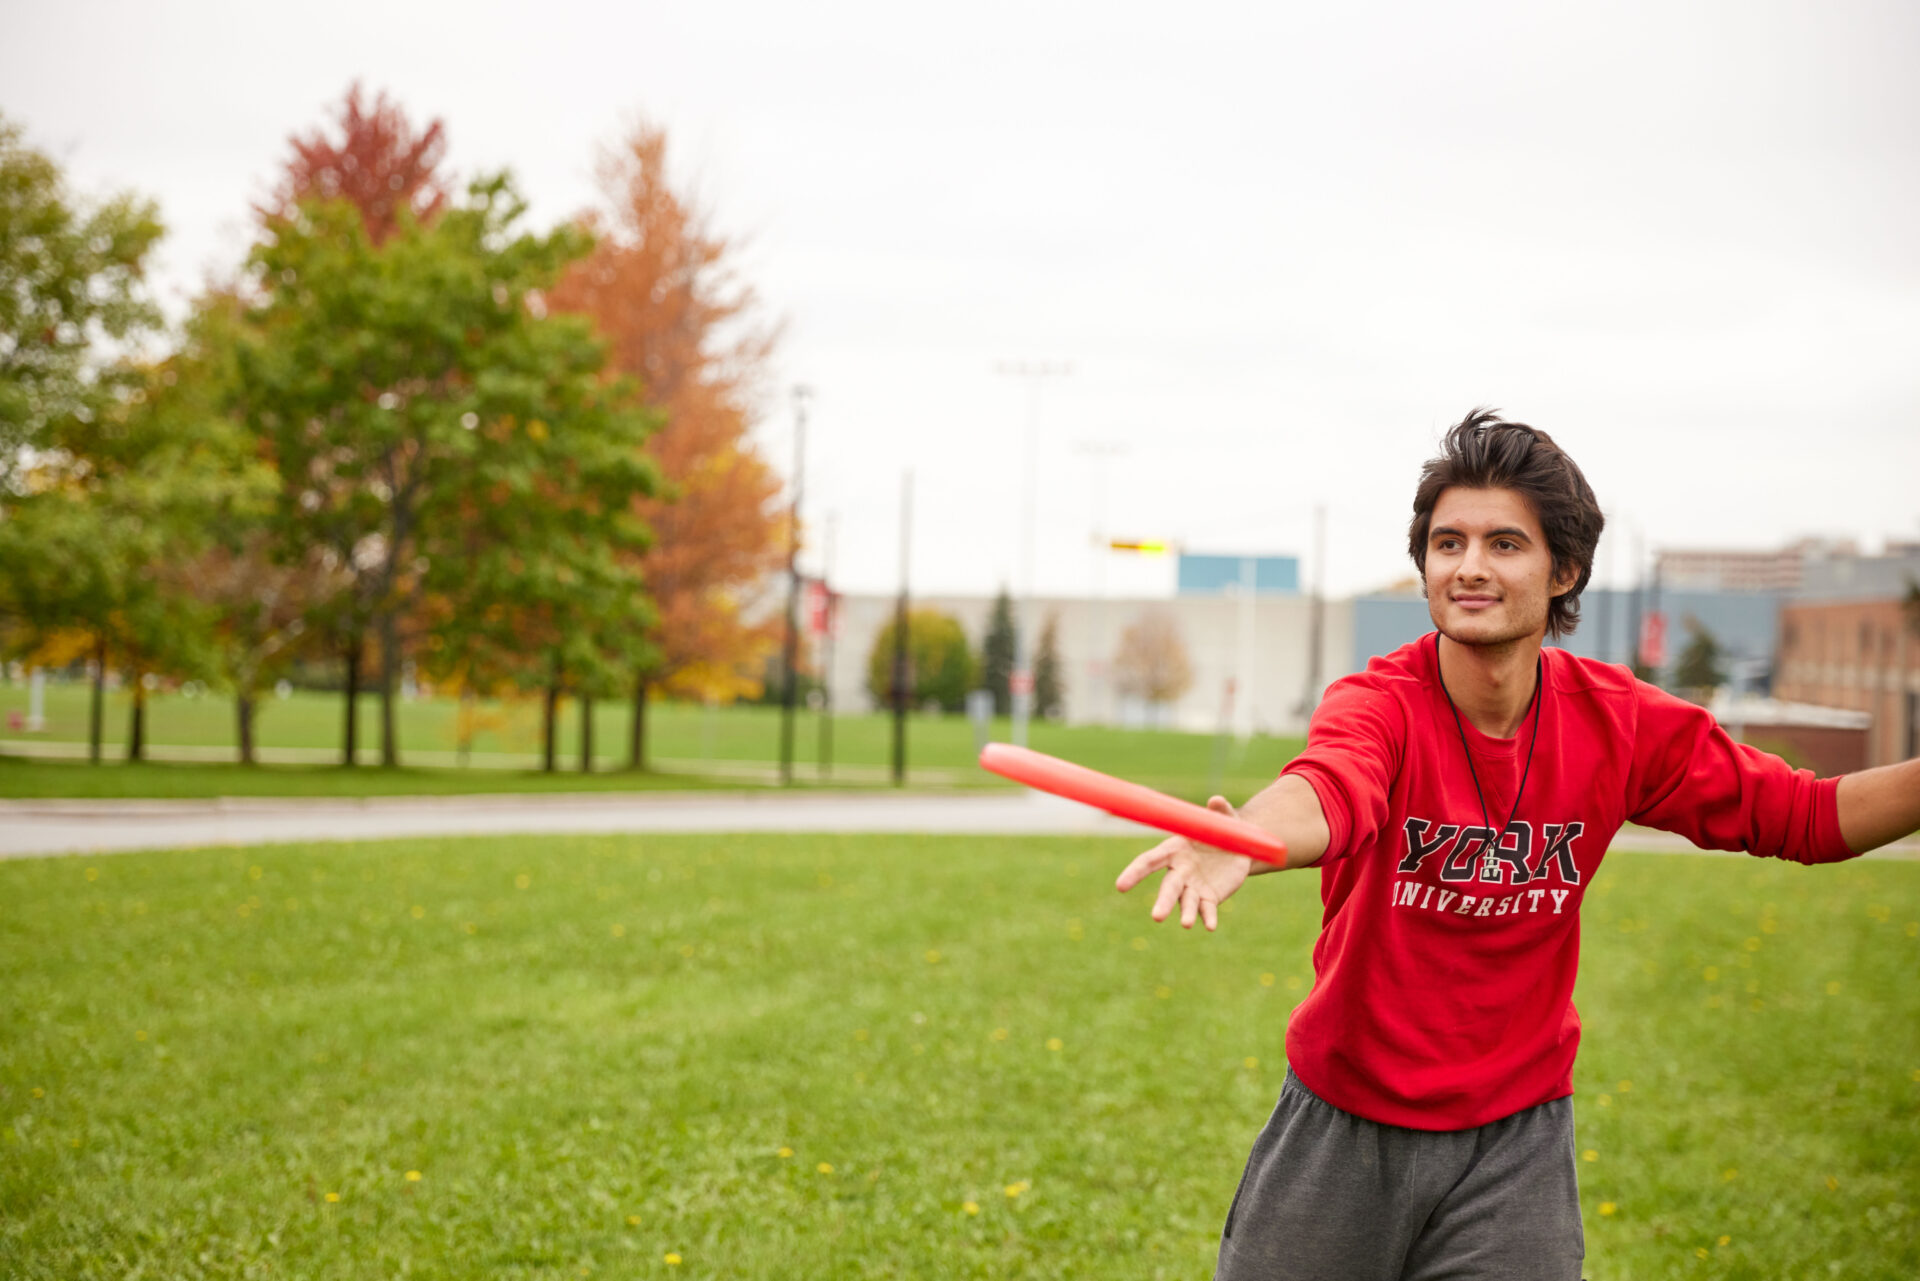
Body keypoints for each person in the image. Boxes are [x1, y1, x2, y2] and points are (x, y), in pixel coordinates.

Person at [1116, 408, 1920, 1281]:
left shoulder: (1623, 724)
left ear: (1563, 569)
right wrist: (1243, 838)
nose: (1469, 566)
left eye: (1504, 543)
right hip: (1341, 1126)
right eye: (1448, 541)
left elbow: (1808, 818)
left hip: (1515, 1144)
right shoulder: (1378, 702)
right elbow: (1333, 785)